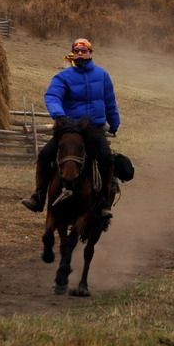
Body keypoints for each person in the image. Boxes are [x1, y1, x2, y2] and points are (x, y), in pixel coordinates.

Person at [21, 38, 120, 223]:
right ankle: (39, 196)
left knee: (106, 158)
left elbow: (110, 102)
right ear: (73, 54)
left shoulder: (102, 75)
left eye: (84, 51)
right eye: (78, 51)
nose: (81, 54)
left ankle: (104, 202)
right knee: (45, 155)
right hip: (69, 127)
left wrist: (114, 123)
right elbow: (52, 96)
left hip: (93, 128)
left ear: (91, 53)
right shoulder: (63, 76)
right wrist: (59, 115)